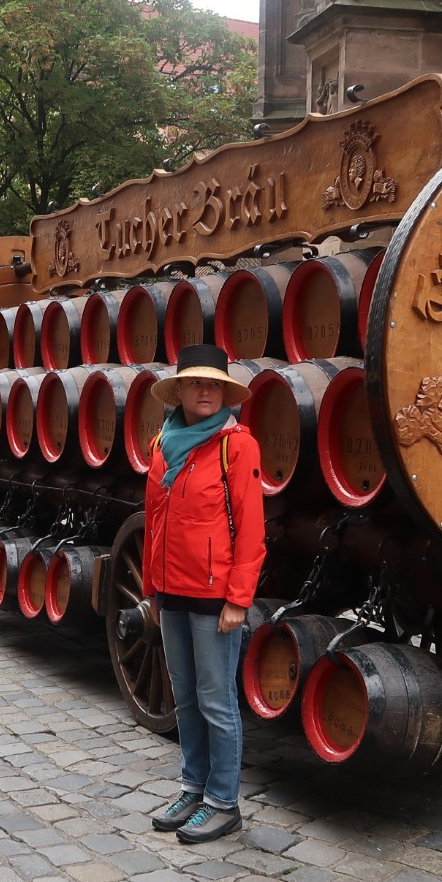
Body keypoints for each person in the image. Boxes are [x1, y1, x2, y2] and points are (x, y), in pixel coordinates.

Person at [140, 344, 264, 845]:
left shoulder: (238, 445)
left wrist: (239, 597)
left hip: (215, 594)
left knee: (217, 701)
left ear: (226, 392)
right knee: (185, 697)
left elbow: (252, 529)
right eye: (196, 383)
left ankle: (223, 802)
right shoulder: (161, 443)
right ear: (181, 391)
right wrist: (151, 587)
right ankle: (193, 788)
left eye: (214, 384)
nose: (205, 391)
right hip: (171, 590)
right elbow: (153, 522)